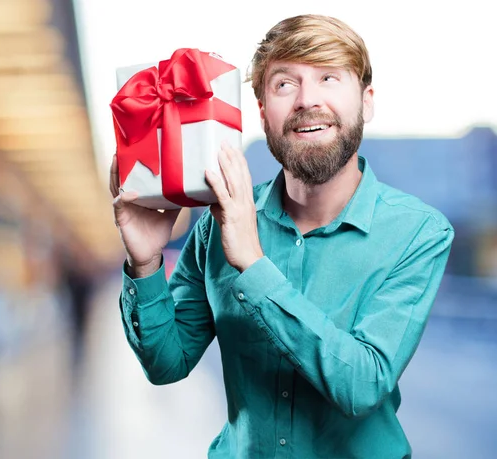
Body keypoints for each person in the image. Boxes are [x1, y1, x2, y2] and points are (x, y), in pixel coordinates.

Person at [110, 14, 454, 459]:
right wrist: (146, 263)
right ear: (261, 112)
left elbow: (362, 386)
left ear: (367, 101)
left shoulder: (418, 232)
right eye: (284, 85)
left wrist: (253, 265)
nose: (307, 101)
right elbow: (166, 364)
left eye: (328, 78)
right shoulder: (217, 222)